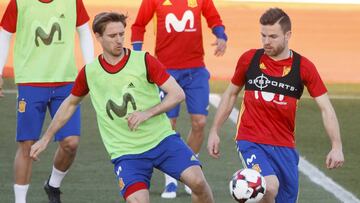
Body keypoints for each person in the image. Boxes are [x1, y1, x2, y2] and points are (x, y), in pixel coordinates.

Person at [29, 12, 215, 203]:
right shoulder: (90, 73)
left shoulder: (144, 60)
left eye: (121, 34)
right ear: (98, 37)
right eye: (112, 36)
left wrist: (147, 113)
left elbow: (177, 93)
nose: (119, 40)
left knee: (199, 182)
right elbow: (69, 104)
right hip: (126, 153)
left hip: (162, 140)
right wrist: (46, 138)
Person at [207, 7, 344, 203]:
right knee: (267, 187)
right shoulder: (250, 59)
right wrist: (215, 130)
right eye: (262, 35)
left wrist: (336, 146)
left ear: (288, 35)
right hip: (250, 140)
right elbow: (230, 94)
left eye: (272, 36)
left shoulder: (303, 67)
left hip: (284, 146)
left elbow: (326, 108)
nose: (266, 42)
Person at [131, 0, 227, 198]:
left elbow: (213, 18)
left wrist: (221, 35)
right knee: (168, 124)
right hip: (166, 71)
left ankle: (190, 167)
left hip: (196, 70)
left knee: (199, 122)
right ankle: (171, 179)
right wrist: (138, 55)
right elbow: (139, 25)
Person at [0, 0, 94, 202]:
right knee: (27, 144)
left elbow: (85, 31)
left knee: (71, 143)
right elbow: (4, 34)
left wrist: (90, 68)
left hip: (66, 81)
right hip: (30, 82)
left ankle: (53, 184)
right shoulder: (19, 2)